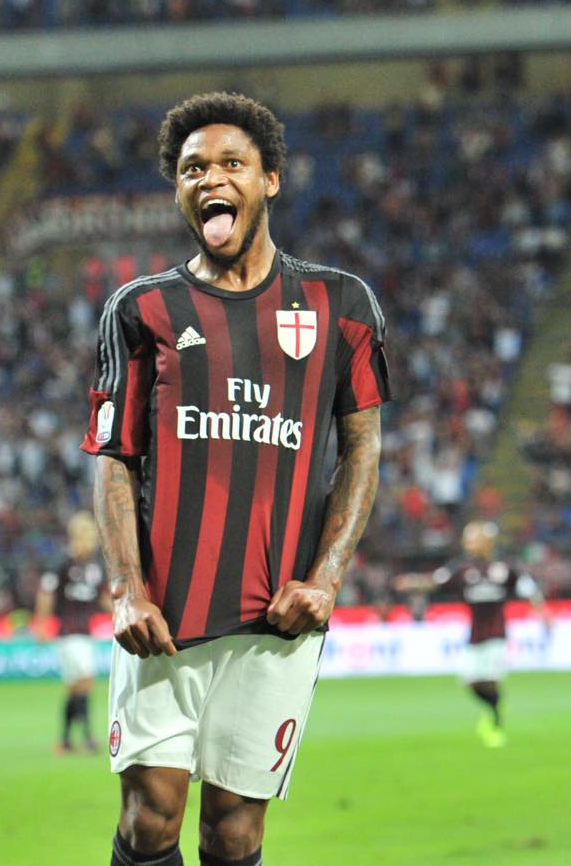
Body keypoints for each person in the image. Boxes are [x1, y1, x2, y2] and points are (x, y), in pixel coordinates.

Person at [81, 92, 389, 866]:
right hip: (164, 612)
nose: (210, 179)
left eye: (230, 164)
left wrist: (325, 579)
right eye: (192, 169)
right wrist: (127, 588)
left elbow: (362, 449)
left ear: (269, 179)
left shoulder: (342, 305)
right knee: (149, 817)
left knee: (234, 831)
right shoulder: (140, 308)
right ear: (178, 190)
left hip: (276, 617)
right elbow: (112, 457)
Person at [393, 520, 546, 748]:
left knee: (489, 679)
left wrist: (544, 613)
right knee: (471, 682)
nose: (469, 544)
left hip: (497, 635)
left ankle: (495, 723)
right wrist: (411, 582)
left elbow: (529, 589)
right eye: (467, 539)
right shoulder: (462, 569)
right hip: (475, 636)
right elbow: (434, 581)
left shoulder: (504, 568)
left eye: (474, 539)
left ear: (488, 541)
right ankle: (495, 704)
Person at [34, 510, 110, 754]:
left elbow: (103, 597)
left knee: (75, 686)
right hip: (68, 633)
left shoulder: (94, 566)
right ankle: (88, 738)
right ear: (75, 536)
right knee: (86, 679)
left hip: (86, 632)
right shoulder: (61, 562)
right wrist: (41, 624)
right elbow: (46, 594)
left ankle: (65, 740)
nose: (90, 542)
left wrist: (122, 612)